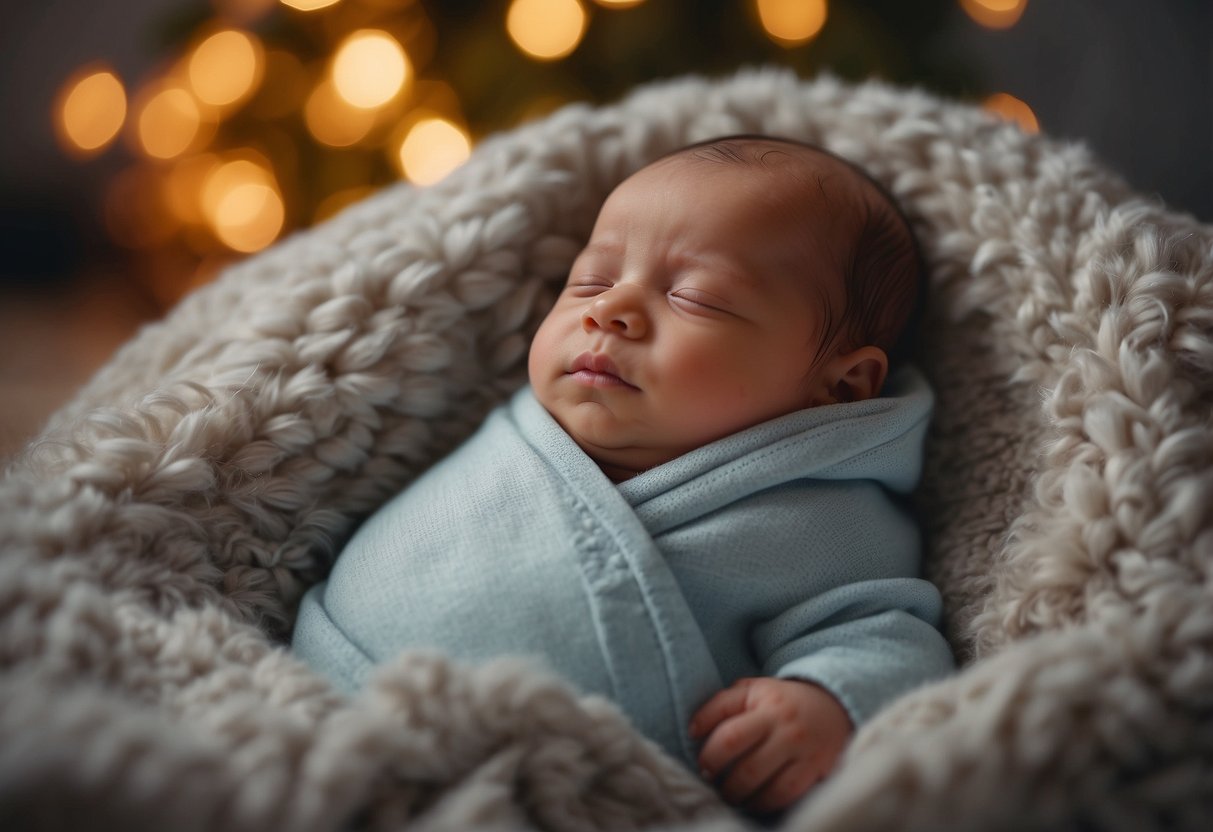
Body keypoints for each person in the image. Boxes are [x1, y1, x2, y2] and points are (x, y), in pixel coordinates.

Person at [291, 135, 954, 814]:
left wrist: (825, 702)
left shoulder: (824, 513)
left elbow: (888, 637)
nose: (607, 311)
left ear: (839, 387)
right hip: (316, 700)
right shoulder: (525, 426)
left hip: (544, 792)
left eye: (695, 297)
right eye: (592, 280)